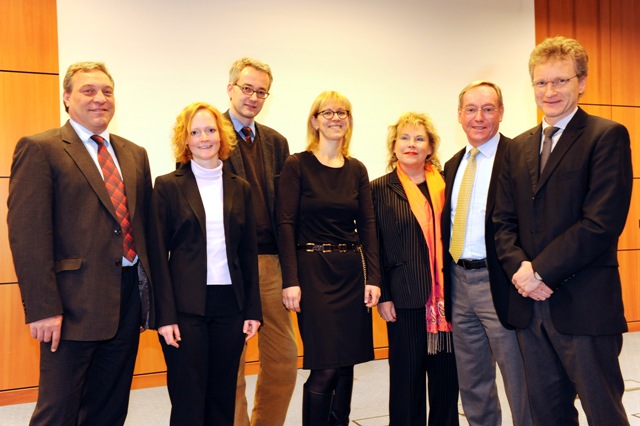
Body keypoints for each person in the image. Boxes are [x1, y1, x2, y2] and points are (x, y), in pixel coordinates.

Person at [493, 36, 632, 426]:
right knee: (546, 415)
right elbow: (502, 222)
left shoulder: (607, 136)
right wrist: (522, 271)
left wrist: (538, 272)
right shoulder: (517, 148)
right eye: (541, 83)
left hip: (584, 304)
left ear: (581, 83)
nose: (549, 91)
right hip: (529, 307)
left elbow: (600, 224)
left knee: (603, 411)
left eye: (561, 81)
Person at [7, 61, 153, 425]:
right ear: (67, 98)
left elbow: (144, 228)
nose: (100, 98)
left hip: (127, 299)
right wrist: (42, 306)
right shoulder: (41, 148)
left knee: (110, 406)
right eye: (88, 90)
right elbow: (27, 233)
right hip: (70, 305)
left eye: (107, 91)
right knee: (59, 410)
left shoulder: (134, 154)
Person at [148, 102, 262, 425]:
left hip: (230, 307)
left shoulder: (240, 188)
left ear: (221, 135)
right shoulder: (168, 186)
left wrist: (253, 310)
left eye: (210, 130)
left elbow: (247, 254)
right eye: (195, 132)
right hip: (185, 310)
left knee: (222, 398)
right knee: (188, 399)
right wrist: (164, 316)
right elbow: (158, 255)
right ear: (185, 140)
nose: (204, 138)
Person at [278, 91, 382, 425]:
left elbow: (367, 227)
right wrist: (290, 280)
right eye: (328, 112)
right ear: (314, 120)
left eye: (343, 112)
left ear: (349, 120)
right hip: (313, 272)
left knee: (346, 363)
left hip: (351, 274)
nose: (336, 118)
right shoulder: (297, 165)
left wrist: (374, 278)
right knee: (325, 367)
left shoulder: (357, 169)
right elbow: (286, 225)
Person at [442, 81, 533, 426]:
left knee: (519, 378)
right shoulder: (453, 165)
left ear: (501, 113)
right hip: (458, 282)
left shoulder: (519, 157)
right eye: (471, 109)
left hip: (501, 282)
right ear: (459, 115)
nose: (478, 117)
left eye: (488, 108)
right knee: (473, 379)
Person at [222, 57, 298, 426]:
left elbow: (286, 210)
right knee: (230, 358)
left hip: (271, 263)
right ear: (231, 89)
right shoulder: (208, 132)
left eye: (261, 91)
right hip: (228, 265)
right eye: (247, 88)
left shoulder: (275, 142)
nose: (253, 97)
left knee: (284, 356)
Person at [371, 112, 460, 426]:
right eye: (405, 138)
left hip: (450, 299)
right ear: (393, 146)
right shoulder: (379, 190)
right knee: (406, 384)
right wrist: (383, 295)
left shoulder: (448, 186)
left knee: (447, 383)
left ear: (430, 147)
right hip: (404, 298)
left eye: (419, 138)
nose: (411, 144)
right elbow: (374, 247)